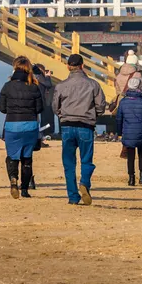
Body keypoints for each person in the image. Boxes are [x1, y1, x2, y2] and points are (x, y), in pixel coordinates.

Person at [52, 54, 106, 206]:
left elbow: (55, 107)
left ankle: (73, 197)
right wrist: (94, 115)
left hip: (67, 125)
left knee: (69, 163)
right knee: (86, 160)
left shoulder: (61, 85)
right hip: (85, 125)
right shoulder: (93, 84)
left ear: (68, 66)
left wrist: (62, 115)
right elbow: (101, 106)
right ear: (82, 66)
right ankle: (84, 182)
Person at [0, 56, 43, 199]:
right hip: (30, 125)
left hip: (12, 124)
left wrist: (13, 109)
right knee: (27, 158)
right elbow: (39, 108)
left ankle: (13, 180)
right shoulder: (34, 86)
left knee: (12, 157)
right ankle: (24, 189)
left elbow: (2, 108)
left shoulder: (7, 86)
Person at [116, 76, 142, 187]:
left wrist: (119, 132)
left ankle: (131, 178)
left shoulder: (123, 102)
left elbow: (119, 119)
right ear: (139, 87)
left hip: (128, 132)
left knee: (130, 156)